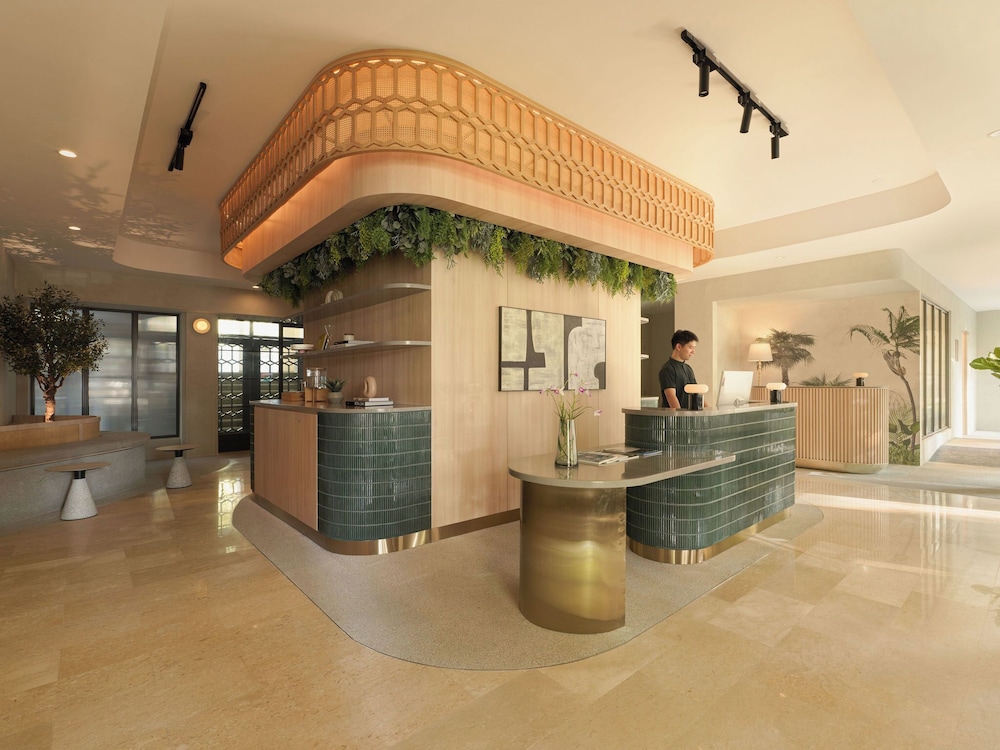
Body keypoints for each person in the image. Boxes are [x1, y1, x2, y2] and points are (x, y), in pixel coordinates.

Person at [658, 329, 698, 408]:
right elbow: (671, 397)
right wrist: (680, 415)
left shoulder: (688, 369)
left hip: (688, 414)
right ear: (678, 347)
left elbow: (697, 393)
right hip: (675, 415)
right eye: (691, 347)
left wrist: (710, 410)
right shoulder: (668, 369)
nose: (693, 352)